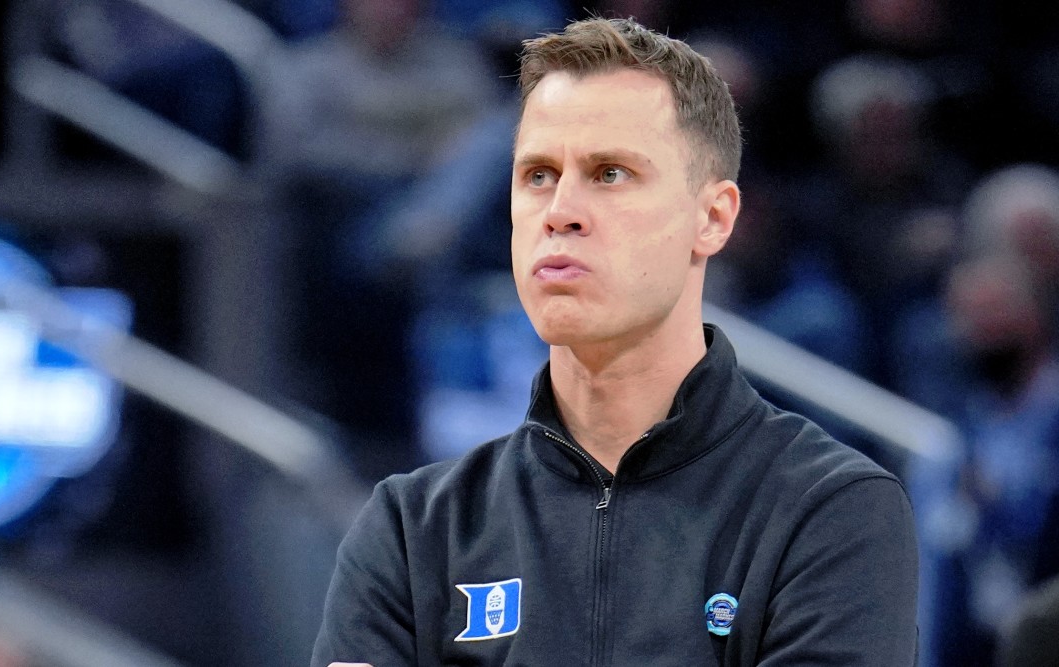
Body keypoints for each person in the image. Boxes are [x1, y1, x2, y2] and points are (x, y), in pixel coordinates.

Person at [312, 17, 919, 666]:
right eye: (538, 174)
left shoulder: (833, 510)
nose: (562, 210)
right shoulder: (412, 527)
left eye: (611, 173)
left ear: (711, 218)